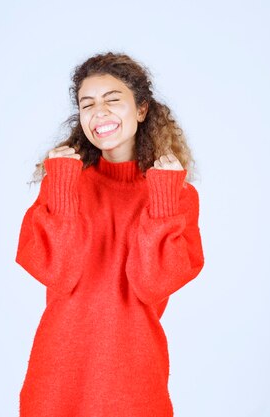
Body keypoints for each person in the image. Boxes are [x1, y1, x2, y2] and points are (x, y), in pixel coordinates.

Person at [15, 51, 205, 417]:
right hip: (58, 378)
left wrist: (162, 201)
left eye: (112, 100)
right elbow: (59, 272)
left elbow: (151, 285)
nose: (99, 111)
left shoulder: (176, 195)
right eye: (87, 104)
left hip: (134, 380)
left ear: (142, 110)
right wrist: (64, 187)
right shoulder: (65, 185)